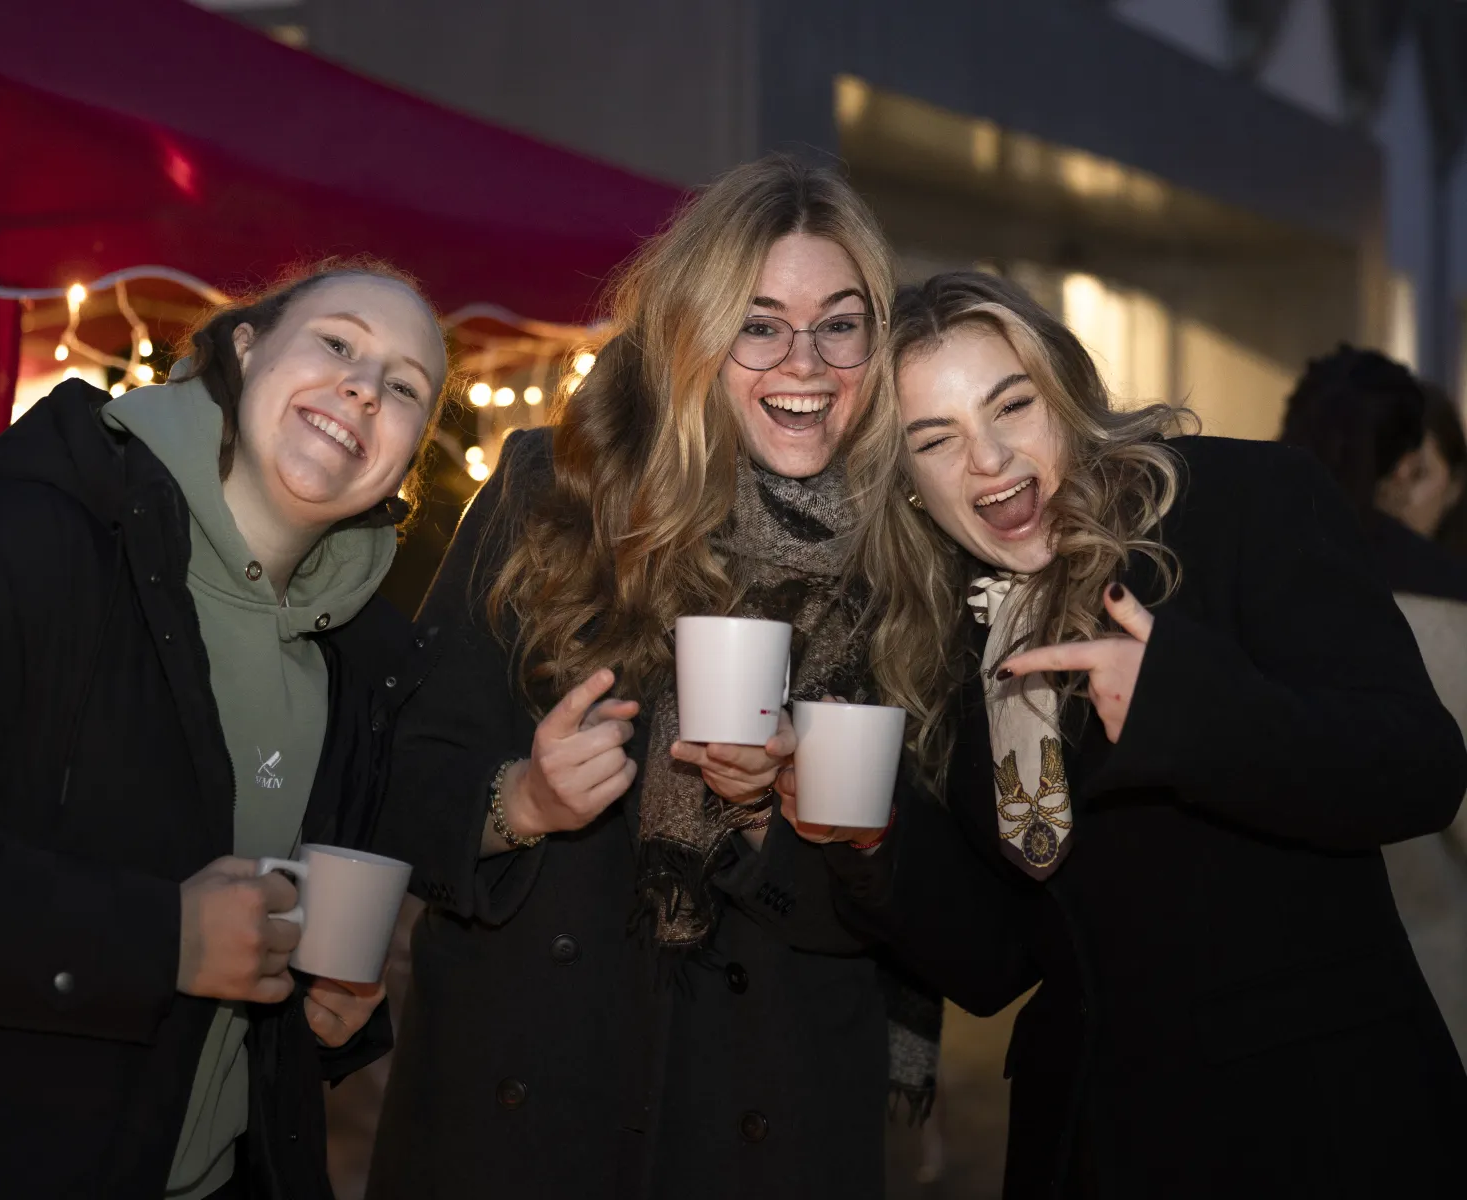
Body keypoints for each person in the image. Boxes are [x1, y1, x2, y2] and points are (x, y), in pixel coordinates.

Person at [806, 271, 1467, 1198]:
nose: (989, 461)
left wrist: (1191, 706)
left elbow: (1418, 768)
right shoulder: (943, 644)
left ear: (1068, 396)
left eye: (1011, 406)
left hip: (1311, 1131)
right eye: (936, 440)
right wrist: (870, 835)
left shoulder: (1243, 503)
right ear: (907, 485)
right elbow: (1002, 960)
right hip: (1092, 1145)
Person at [366, 155, 916, 1200]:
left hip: (768, 1105)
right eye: (758, 323)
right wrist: (516, 802)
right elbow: (400, 773)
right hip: (530, 1090)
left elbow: (935, 908)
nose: (804, 360)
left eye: (840, 323)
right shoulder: (553, 489)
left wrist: (781, 826)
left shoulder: (907, 556)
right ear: (691, 336)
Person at [0, 257, 448, 1199]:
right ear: (247, 347)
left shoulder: (356, 663)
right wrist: (161, 937)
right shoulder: (37, 540)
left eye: (405, 387)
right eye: (338, 342)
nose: (362, 387)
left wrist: (324, 1010)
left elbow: (258, 954)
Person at [1278, 348, 1467, 1062]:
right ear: (1407, 469)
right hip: (1431, 998)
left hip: (1280, 1009)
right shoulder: (1442, 616)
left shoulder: (1228, 596)